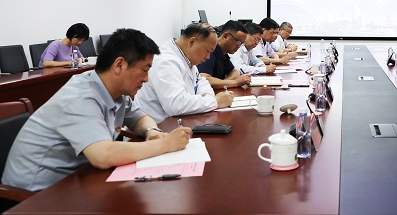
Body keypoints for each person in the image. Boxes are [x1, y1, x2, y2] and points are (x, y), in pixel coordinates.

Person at [2, 28, 192, 192]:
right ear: (119, 65)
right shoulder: (80, 96)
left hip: (78, 180)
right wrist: (165, 144)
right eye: (144, 70)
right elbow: (103, 155)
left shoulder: (115, 91)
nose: (146, 79)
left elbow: (139, 117)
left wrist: (152, 132)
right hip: (35, 196)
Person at [134, 23, 234, 123]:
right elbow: (176, 104)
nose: (208, 57)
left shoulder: (187, 58)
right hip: (158, 127)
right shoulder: (166, 62)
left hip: (179, 122)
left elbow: (201, 81)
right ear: (192, 42)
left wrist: (208, 96)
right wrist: (215, 101)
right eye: (208, 51)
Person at [197, 20, 252, 89]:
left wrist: (223, 84)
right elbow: (204, 80)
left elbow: (235, 73)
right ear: (226, 36)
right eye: (238, 42)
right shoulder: (210, 52)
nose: (239, 46)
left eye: (241, 43)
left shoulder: (223, 53)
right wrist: (235, 82)